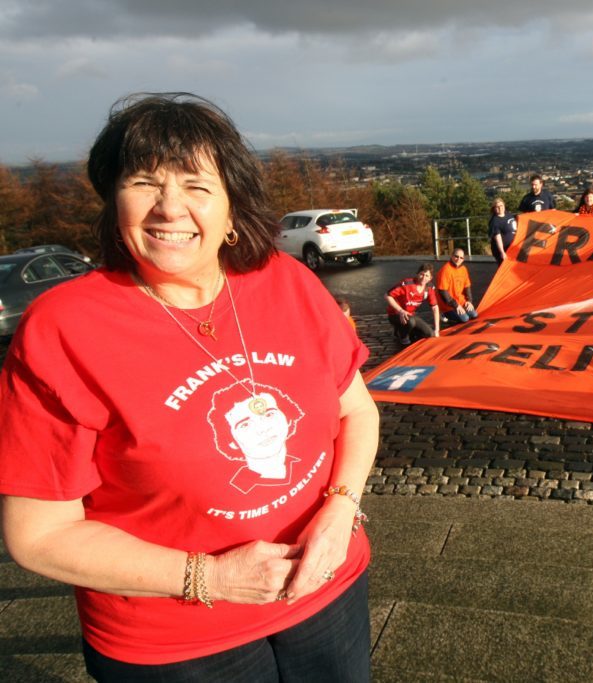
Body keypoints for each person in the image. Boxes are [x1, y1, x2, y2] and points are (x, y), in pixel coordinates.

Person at [0, 93, 379, 680]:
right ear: (113, 201)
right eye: (144, 183)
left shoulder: (288, 283)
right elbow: (38, 534)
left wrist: (340, 509)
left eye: (197, 186)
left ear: (232, 211)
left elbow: (357, 412)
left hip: (327, 589)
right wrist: (213, 576)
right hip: (173, 640)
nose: (168, 208)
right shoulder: (63, 328)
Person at [385, 263, 440, 345]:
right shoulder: (407, 284)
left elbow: (435, 307)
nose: (424, 278)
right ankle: (402, 336)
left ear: (430, 278)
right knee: (411, 322)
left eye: (427, 276)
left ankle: (402, 330)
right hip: (395, 314)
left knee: (430, 334)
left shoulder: (429, 288)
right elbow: (387, 295)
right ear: (417, 274)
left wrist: (437, 329)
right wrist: (400, 311)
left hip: (410, 315)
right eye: (422, 274)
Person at [435, 248, 478, 324]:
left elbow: (467, 286)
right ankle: (443, 314)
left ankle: (460, 312)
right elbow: (443, 292)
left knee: (474, 315)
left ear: (463, 259)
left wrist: (469, 301)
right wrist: (456, 306)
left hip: (461, 301)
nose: (458, 259)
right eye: (456, 256)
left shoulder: (463, 269)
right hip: (448, 305)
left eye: (461, 258)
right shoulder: (445, 270)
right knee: (465, 319)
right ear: (451, 256)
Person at [488, 197, 517, 263]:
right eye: (497, 207)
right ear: (494, 209)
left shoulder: (509, 214)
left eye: (501, 205)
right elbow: (498, 238)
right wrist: (502, 252)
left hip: (512, 247)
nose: (500, 208)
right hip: (503, 250)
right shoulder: (495, 221)